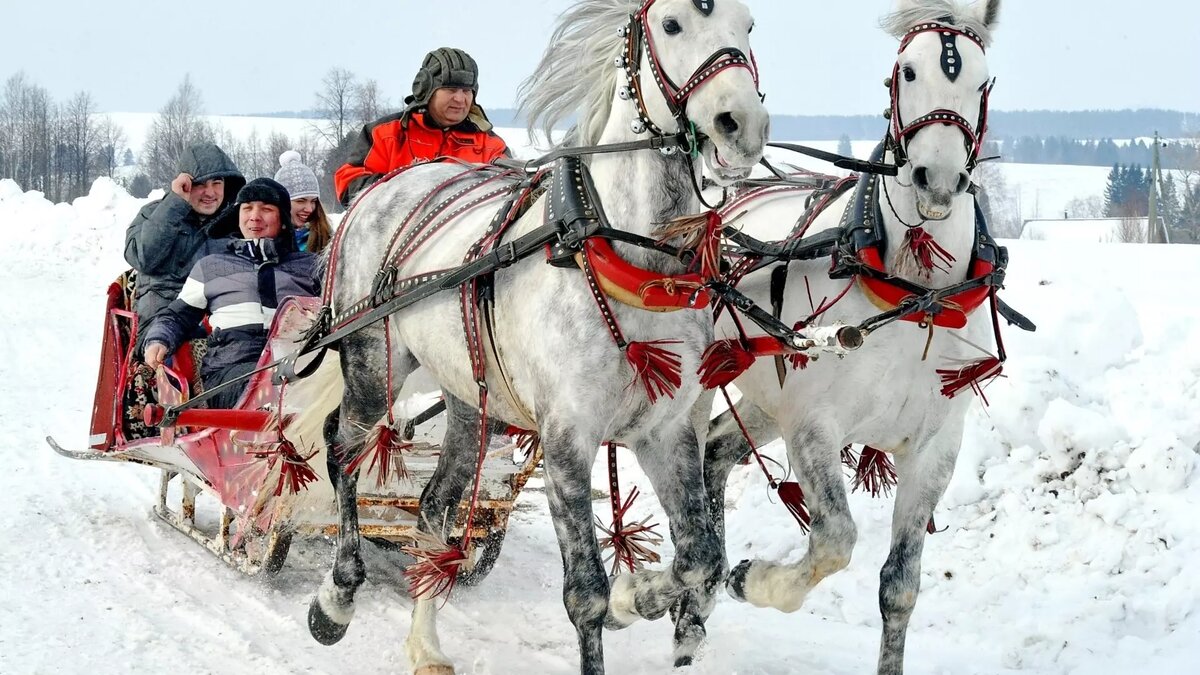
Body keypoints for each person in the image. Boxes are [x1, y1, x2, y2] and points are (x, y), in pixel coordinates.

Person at [142, 178, 320, 409]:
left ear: (284, 220)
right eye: (247, 209)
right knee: (269, 384)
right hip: (230, 371)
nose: (254, 216)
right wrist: (159, 338)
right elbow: (176, 316)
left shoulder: (312, 266)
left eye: (266, 209)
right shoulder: (211, 267)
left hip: (300, 361)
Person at [333, 47, 510, 207]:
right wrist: (408, 187)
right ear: (426, 90)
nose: (460, 98)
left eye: (466, 91)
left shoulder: (490, 146)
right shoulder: (387, 134)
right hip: (394, 236)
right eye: (451, 89)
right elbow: (348, 184)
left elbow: (510, 190)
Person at [124, 142, 246, 351]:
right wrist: (175, 203)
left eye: (217, 183)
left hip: (221, 321)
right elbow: (143, 257)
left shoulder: (238, 223)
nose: (210, 192)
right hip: (162, 323)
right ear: (184, 184)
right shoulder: (155, 214)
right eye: (200, 184)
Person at [274, 150, 333, 253]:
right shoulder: (265, 242)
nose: (309, 209)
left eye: (313, 201)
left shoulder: (328, 241)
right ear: (281, 202)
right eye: (300, 201)